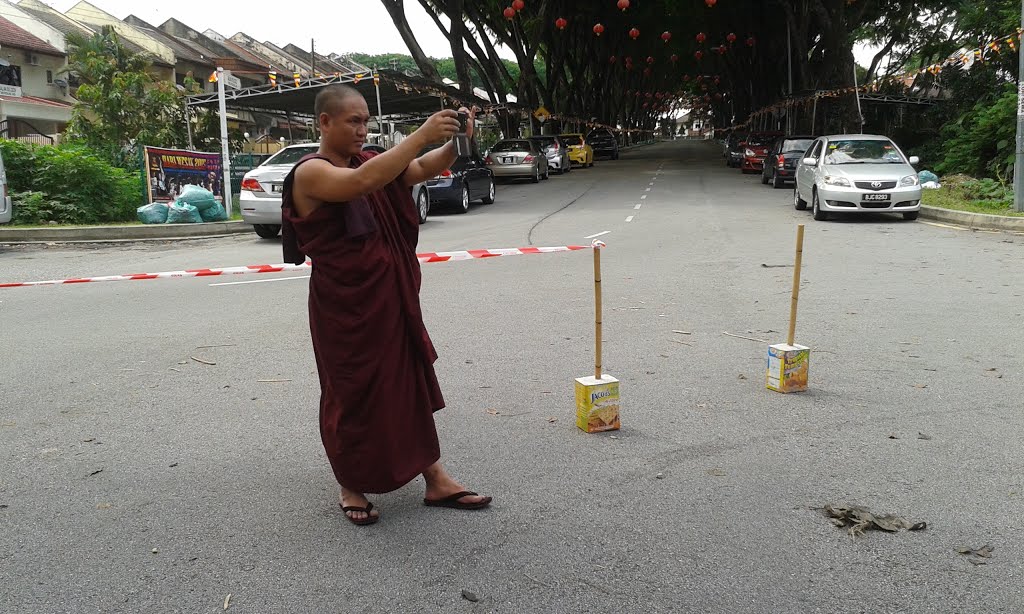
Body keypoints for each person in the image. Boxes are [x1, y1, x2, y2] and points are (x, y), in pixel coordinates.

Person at [282, 85, 491, 526]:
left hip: (388, 295)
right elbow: (362, 184)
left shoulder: (370, 160)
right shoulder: (310, 172)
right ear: (324, 122)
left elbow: (419, 168)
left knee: (407, 384)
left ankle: (434, 477)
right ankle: (351, 483)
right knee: (352, 391)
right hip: (344, 306)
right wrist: (419, 133)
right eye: (353, 121)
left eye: (366, 121)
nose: (363, 130)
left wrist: (456, 140)